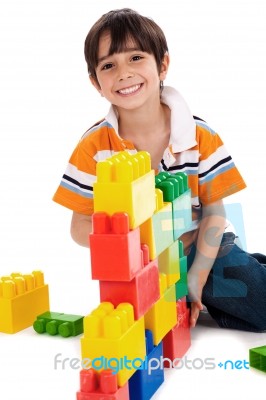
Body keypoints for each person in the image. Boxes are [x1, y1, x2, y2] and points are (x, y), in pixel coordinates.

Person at [53, 8, 266, 332]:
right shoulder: (94, 146)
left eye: (135, 58)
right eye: (108, 65)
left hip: (200, 248)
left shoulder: (198, 134)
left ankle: (236, 273)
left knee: (258, 306)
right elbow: (79, 226)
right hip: (141, 264)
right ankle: (242, 274)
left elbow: (215, 213)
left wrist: (196, 277)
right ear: (96, 82)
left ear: (162, 64)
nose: (123, 73)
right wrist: (126, 244)